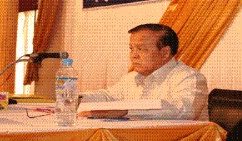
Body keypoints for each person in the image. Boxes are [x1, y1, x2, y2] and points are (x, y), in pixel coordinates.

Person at [79, 23, 208, 120]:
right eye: (131, 49)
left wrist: (127, 110)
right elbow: (108, 97)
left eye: (141, 49)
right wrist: (74, 99)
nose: (133, 55)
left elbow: (183, 110)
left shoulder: (189, 77)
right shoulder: (131, 78)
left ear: (165, 52)